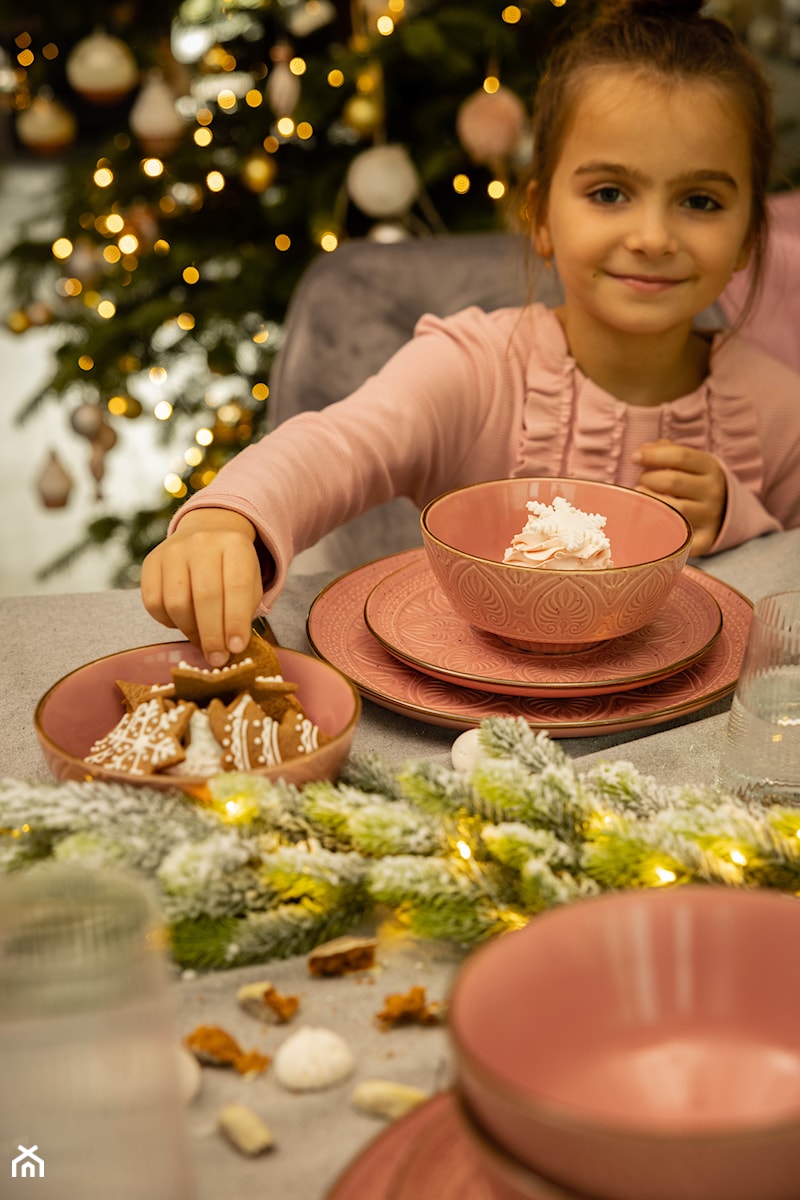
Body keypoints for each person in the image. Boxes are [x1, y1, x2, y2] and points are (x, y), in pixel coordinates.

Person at [142, 0, 800, 666]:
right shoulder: (474, 368)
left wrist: (742, 522)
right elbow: (337, 448)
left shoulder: (780, 410)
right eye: (608, 193)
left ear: (750, 236)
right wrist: (226, 520)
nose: (653, 238)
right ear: (539, 214)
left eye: (700, 202)